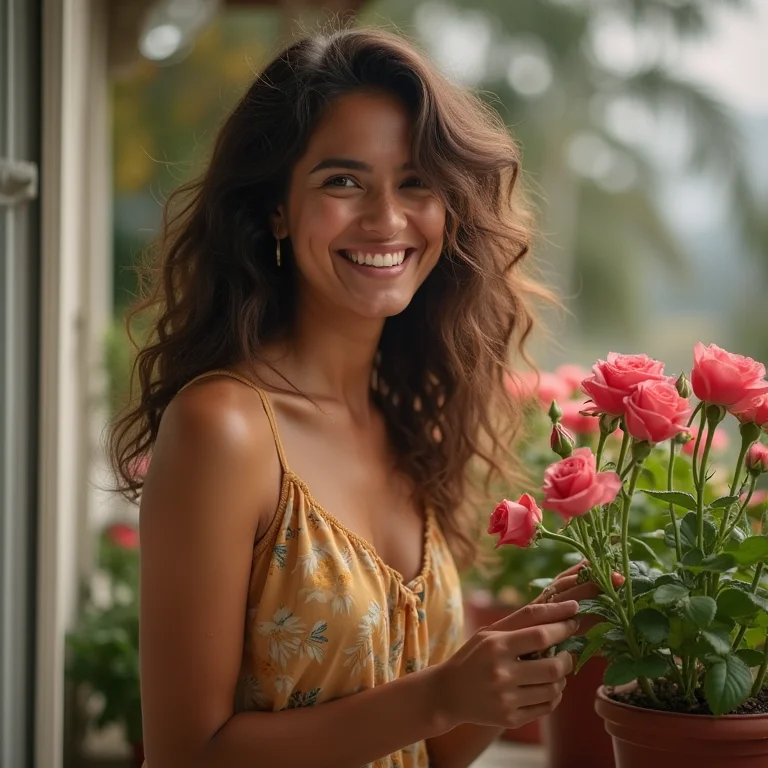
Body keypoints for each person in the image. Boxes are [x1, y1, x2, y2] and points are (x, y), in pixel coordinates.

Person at [110, 26, 603, 768]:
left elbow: (429, 751)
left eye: (416, 182)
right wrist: (439, 695)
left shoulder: (410, 424)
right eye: (343, 181)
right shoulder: (227, 428)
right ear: (277, 208)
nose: (386, 219)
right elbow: (185, 754)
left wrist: (518, 658)